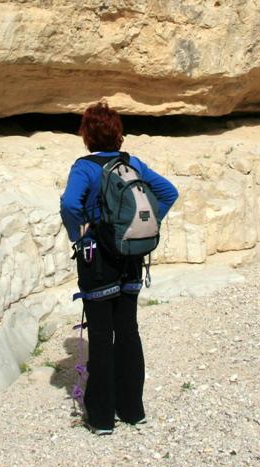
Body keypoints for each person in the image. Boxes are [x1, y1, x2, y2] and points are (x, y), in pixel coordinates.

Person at [59, 101, 179, 435]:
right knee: (128, 330)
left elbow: (70, 204)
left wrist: (80, 235)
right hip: (131, 257)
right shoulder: (133, 163)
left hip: (98, 260)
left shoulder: (84, 167)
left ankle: (101, 419)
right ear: (118, 134)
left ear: (86, 135)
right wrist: (140, 227)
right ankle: (132, 410)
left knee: (100, 335)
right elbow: (168, 193)